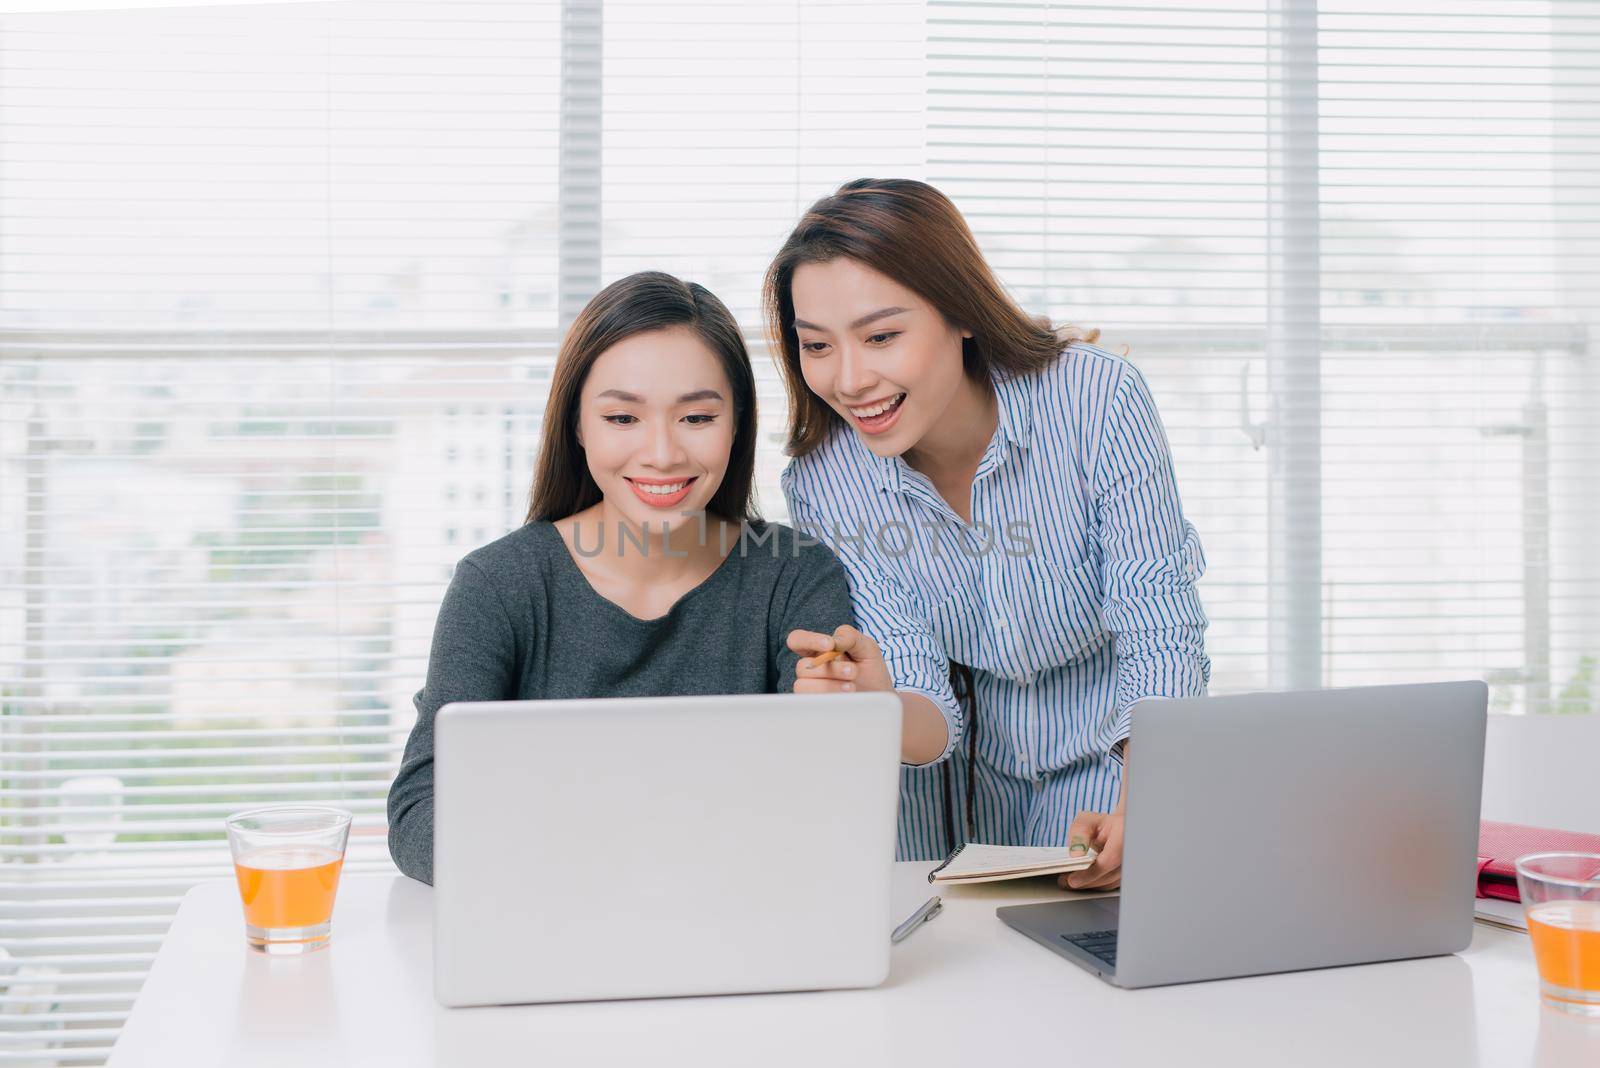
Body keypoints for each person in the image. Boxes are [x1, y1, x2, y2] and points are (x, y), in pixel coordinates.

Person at [769, 179, 1211, 890]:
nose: (850, 380)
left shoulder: (1097, 399)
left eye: (882, 336)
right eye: (816, 345)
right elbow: (923, 700)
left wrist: (1147, 801)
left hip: (1121, 772)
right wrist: (876, 706)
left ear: (962, 313)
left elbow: (1157, 621)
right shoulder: (825, 480)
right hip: (962, 809)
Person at [387, 271, 856, 885]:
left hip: (736, 929)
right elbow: (421, 817)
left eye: (696, 418)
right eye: (622, 418)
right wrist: (604, 864)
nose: (661, 453)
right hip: (551, 927)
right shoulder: (497, 586)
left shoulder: (796, 575)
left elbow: (825, 806)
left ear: (737, 424)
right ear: (577, 426)